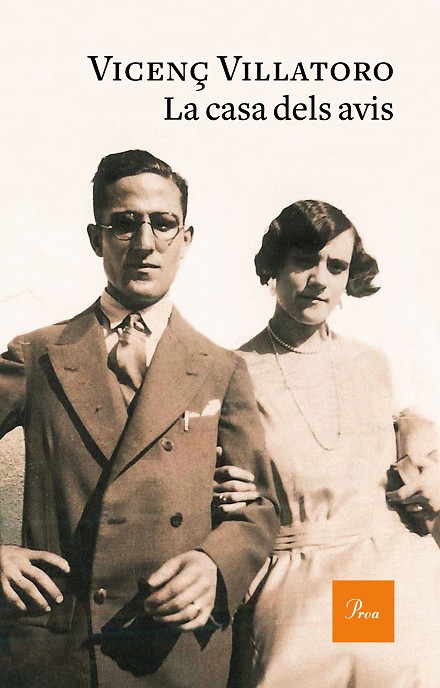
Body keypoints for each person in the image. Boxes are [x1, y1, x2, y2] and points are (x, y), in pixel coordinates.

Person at [0, 149, 279, 688]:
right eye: (124, 223)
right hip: (61, 649)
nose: (145, 243)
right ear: (96, 238)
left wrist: (215, 566)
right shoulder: (39, 355)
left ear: (186, 239)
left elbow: (260, 507)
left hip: (174, 651)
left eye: (163, 223)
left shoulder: (221, 368)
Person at [215, 200, 440, 687]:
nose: (319, 279)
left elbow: (405, 454)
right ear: (274, 266)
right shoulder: (234, 371)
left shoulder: (370, 364)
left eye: (336, 266)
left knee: (372, 670)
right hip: (292, 582)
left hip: (372, 571)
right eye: (304, 261)